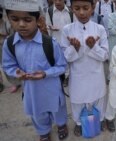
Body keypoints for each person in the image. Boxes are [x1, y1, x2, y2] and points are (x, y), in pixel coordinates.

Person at [2, 0, 68, 141]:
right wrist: (16, 72)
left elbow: (62, 66)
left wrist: (45, 73)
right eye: (15, 19)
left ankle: (61, 125)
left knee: (58, 109)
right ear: (8, 19)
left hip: (52, 88)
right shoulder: (9, 44)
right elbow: (8, 66)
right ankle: (43, 132)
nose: (21, 24)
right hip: (32, 90)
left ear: (38, 20)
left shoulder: (50, 43)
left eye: (27, 20)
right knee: (37, 113)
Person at [60, 0, 109, 137]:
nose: (81, 12)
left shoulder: (99, 29)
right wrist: (74, 48)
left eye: (85, 8)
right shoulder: (67, 30)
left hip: (96, 73)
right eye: (77, 8)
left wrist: (93, 46)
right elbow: (66, 57)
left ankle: (99, 120)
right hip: (78, 74)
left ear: (92, 8)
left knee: (98, 99)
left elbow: (105, 56)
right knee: (77, 101)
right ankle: (79, 123)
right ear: (71, 8)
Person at [0, 6, 21, 93]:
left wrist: (2, 36)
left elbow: (12, 36)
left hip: (5, 46)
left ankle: (16, 82)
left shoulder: (7, 22)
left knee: (8, 64)